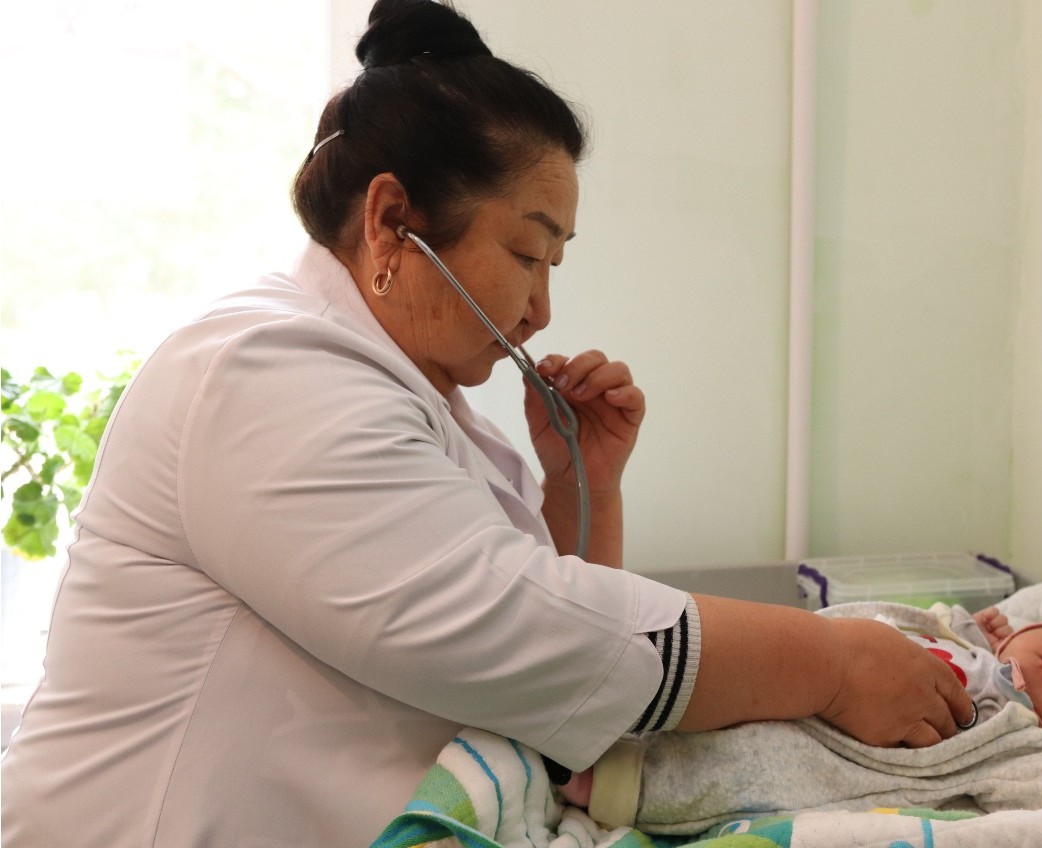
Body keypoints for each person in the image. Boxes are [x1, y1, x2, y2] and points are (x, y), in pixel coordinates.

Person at [0, 2, 975, 845]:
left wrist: (579, 485)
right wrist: (831, 660)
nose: (540, 308)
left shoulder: (422, 405)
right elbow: (514, 627)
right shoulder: (264, 372)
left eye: (557, 262)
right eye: (526, 251)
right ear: (390, 223)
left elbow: (548, 696)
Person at [549, 602, 1042, 832]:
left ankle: (619, 781)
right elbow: (906, 621)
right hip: (823, 673)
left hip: (849, 748)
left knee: (758, 762)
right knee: (738, 679)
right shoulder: (961, 636)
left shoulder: (1015, 732)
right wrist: (969, 628)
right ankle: (624, 703)